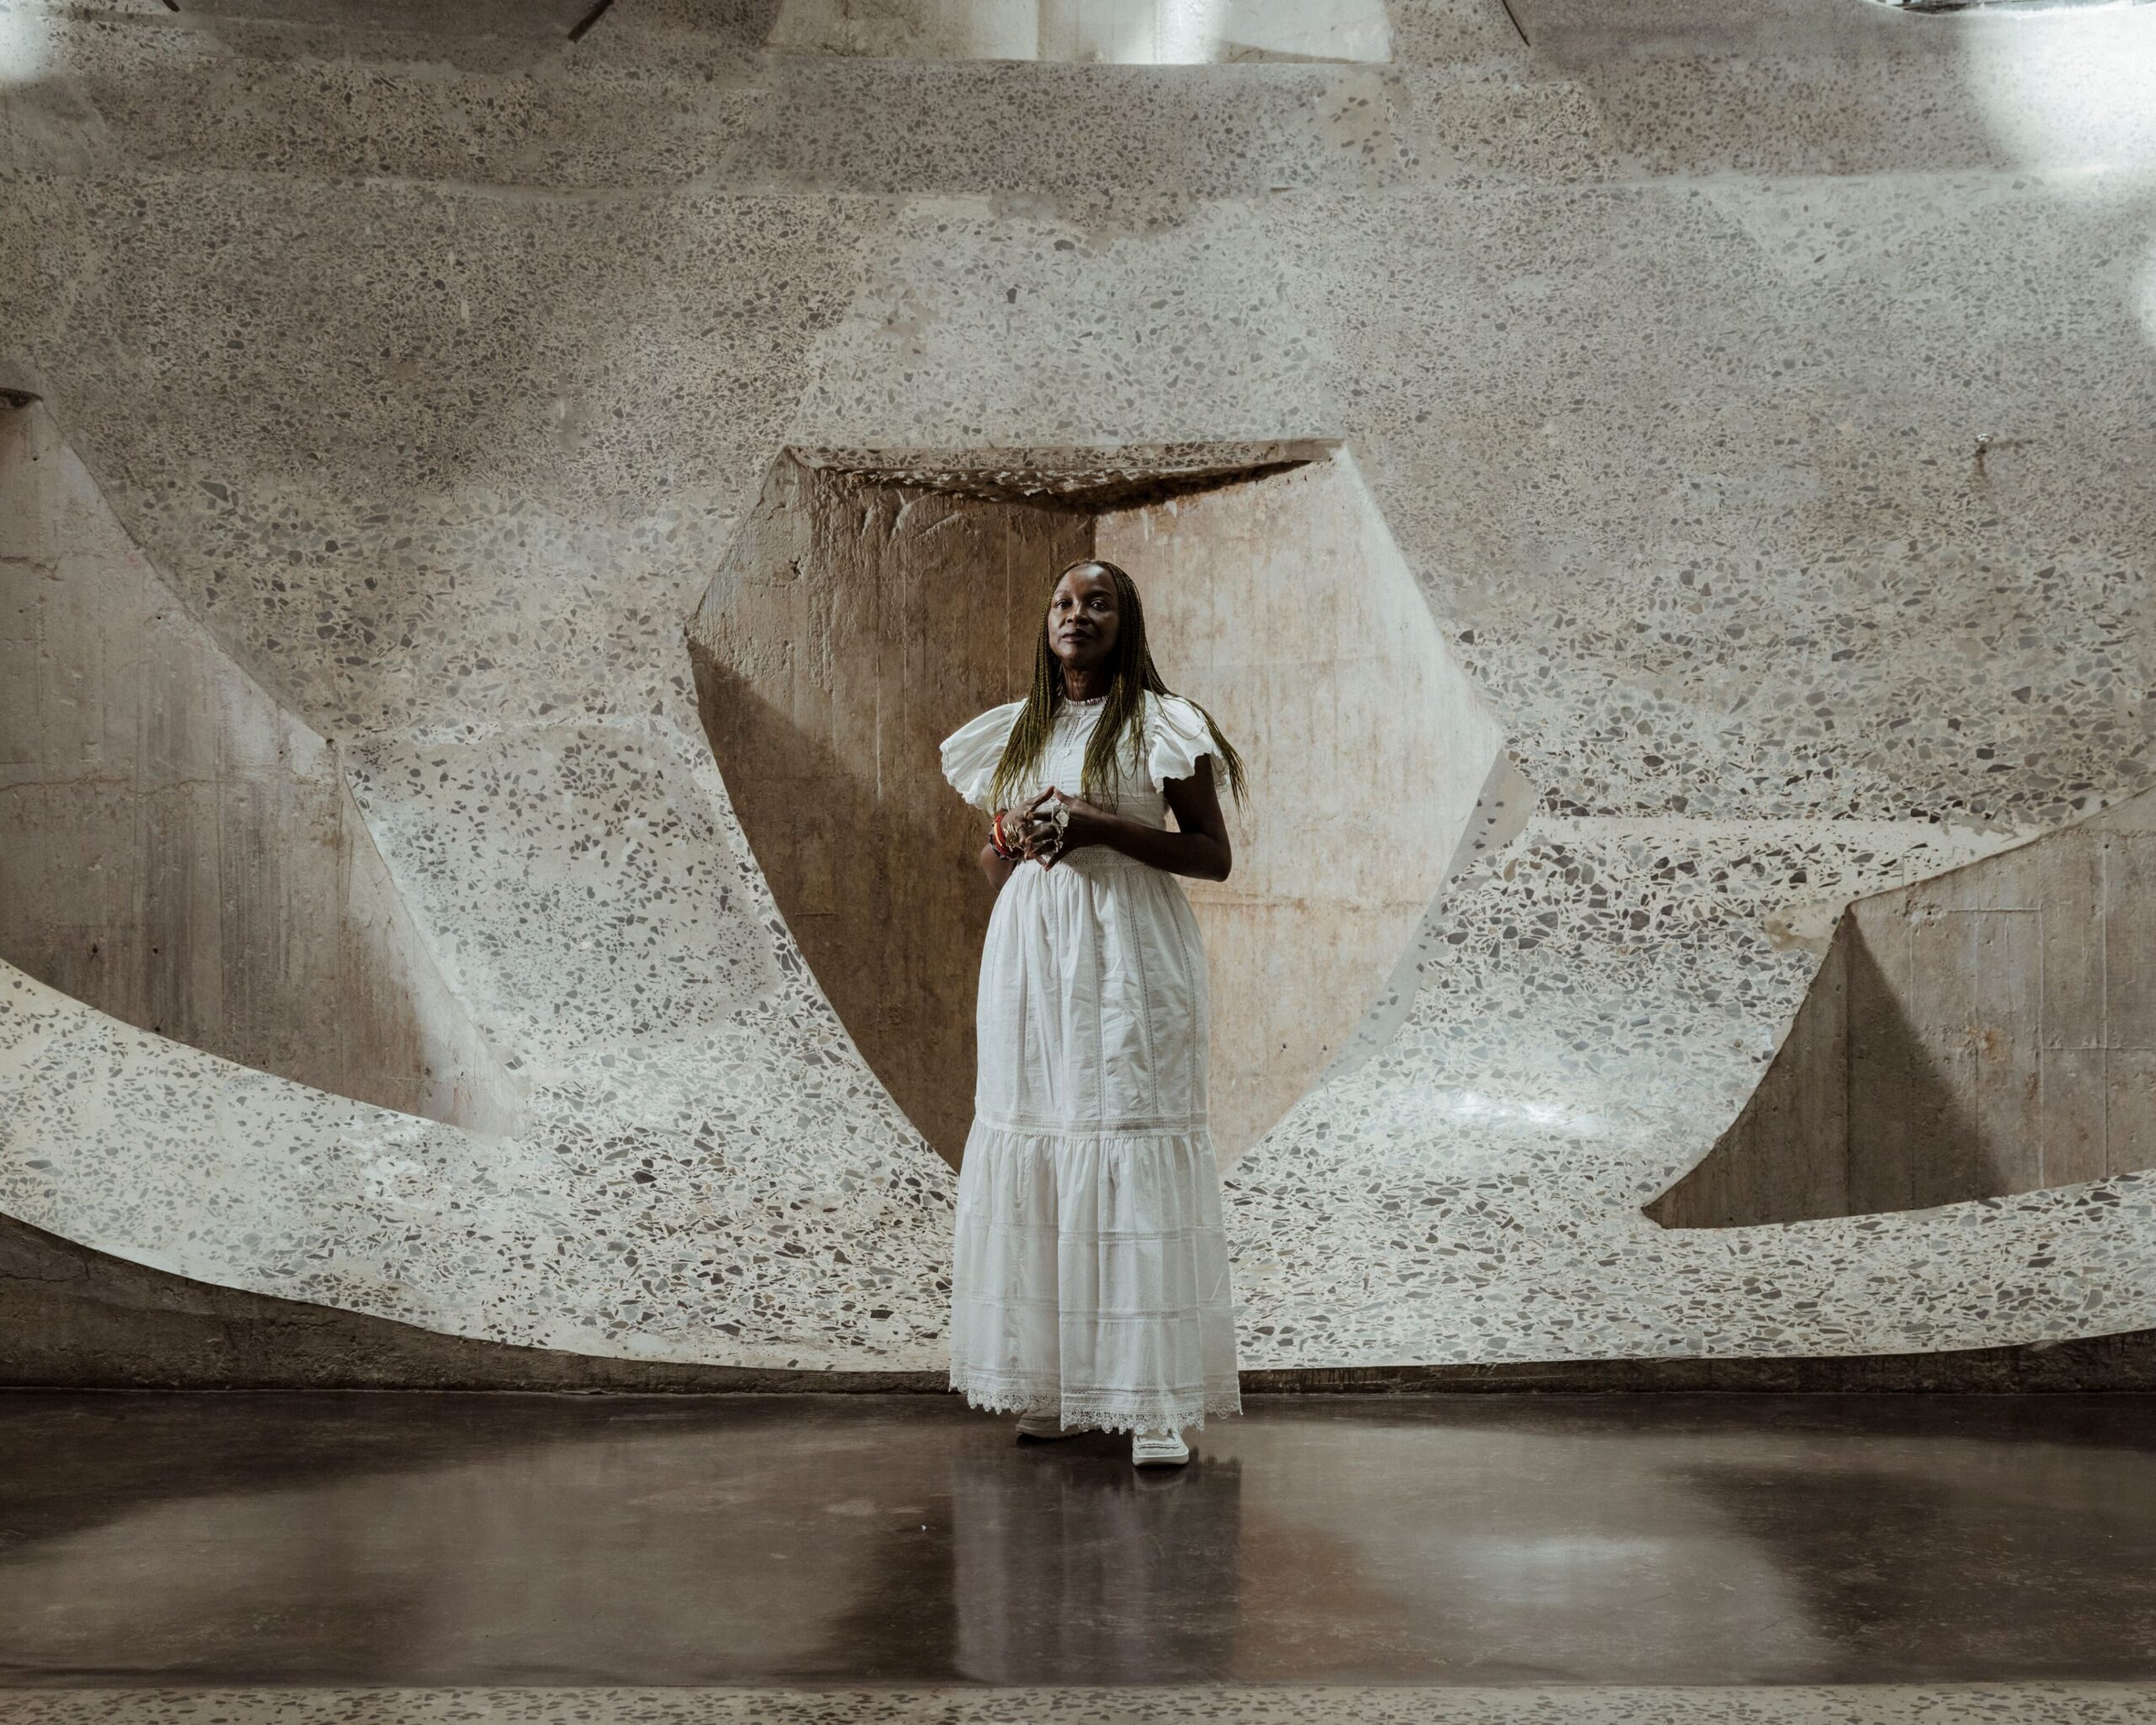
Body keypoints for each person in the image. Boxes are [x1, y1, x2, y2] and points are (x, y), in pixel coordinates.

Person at [937, 556, 1250, 1469]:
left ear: (1126, 622)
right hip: (1033, 956)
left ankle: (1153, 1402)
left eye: (1097, 601)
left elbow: (1212, 855)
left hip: (1129, 952)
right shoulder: (1021, 730)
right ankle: (1061, 1387)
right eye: (1064, 602)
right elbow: (993, 867)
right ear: (1047, 624)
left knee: (1126, 1139)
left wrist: (1097, 823)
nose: (1077, 613)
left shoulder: (1161, 722)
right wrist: (1013, 837)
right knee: (1046, 1138)